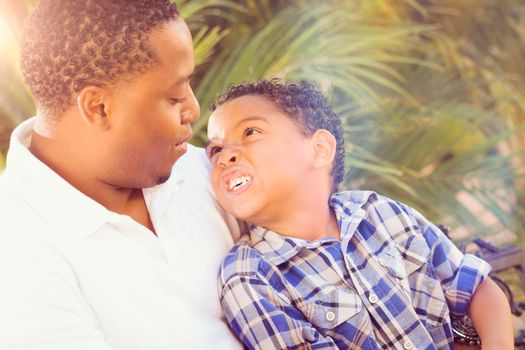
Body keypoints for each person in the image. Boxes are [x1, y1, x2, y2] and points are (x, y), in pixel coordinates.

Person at [0, 1, 242, 349]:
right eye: (174, 96)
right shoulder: (15, 254)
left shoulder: (205, 171)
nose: (193, 108)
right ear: (98, 108)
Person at [205, 80, 514, 349]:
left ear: (320, 150)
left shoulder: (379, 212)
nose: (225, 156)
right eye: (214, 150)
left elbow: (477, 289)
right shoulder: (249, 277)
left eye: (250, 132)